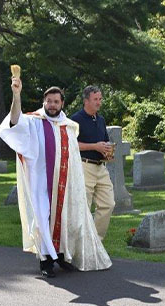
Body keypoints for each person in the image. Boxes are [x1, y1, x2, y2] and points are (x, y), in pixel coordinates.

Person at [0, 76, 112, 277]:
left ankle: (61, 255)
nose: (52, 105)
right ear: (44, 102)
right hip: (41, 182)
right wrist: (17, 95)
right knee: (43, 218)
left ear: (62, 103)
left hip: (64, 183)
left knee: (65, 218)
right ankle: (45, 261)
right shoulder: (34, 121)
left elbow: (74, 157)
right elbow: (14, 121)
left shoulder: (68, 126)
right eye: (49, 101)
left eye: (56, 102)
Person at [70, 85, 115, 240]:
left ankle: (95, 241)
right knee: (84, 208)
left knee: (108, 204)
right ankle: (80, 246)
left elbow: (105, 142)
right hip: (83, 166)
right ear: (86, 101)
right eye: (95, 99)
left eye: (100, 99)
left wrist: (107, 152)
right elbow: (70, 144)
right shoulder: (75, 120)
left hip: (100, 167)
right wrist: (94, 146)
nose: (99, 102)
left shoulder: (100, 119)